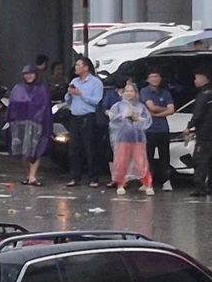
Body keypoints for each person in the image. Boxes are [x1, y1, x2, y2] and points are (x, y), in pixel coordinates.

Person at [5, 62, 53, 186]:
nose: (28, 76)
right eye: (26, 74)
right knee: (23, 150)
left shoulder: (42, 88)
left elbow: (45, 106)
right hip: (20, 124)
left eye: (31, 73)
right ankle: (28, 174)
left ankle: (33, 176)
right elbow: (12, 105)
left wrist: (40, 120)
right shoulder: (18, 88)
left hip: (37, 123)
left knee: (36, 149)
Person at [65, 56, 105, 187]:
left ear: (86, 67)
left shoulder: (95, 82)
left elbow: (97, 101)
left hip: (88, 117)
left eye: (78, 65)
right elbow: (68, 101)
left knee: (90, 148)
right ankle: (75, 177)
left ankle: (94, 177)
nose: (76, 67)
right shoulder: (74, 81)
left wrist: (81, 94)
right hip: (75, 116)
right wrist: (70, 94)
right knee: (74, 148)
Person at [108, 80, 153, 194]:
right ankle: (121, 184)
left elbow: (147, 121)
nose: (129, 93)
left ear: (136, 93)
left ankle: (147, 183)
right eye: (126, 91)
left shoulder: (141, 107)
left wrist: (137, 119)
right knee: (121, 162)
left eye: (131, 91)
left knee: (141, 161)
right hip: (122, 139)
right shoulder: (117, 106)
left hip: (138, 140)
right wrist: (124, 116)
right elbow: (113, 120)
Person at [187, 69, 212, 199]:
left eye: (196, 78)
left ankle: (199, 187)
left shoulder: (203, 96)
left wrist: (189, 126)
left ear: (203, 79)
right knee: (211, 160)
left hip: (203, 133)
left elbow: (198, 113)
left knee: (200, 160)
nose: (195, 81)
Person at [140, 69, 176, 192]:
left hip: (163, 129)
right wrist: (163, 110)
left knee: (164, 157)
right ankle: (147, 182)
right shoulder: (145, 91)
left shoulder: (165, 93)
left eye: (157, 76)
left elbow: (171, 110)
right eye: (152, 76)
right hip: (149, 129)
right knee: (148, 157)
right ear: (148, 79)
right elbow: (151, 107)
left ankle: (166, 181)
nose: (155, 79)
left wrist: (156, 114)